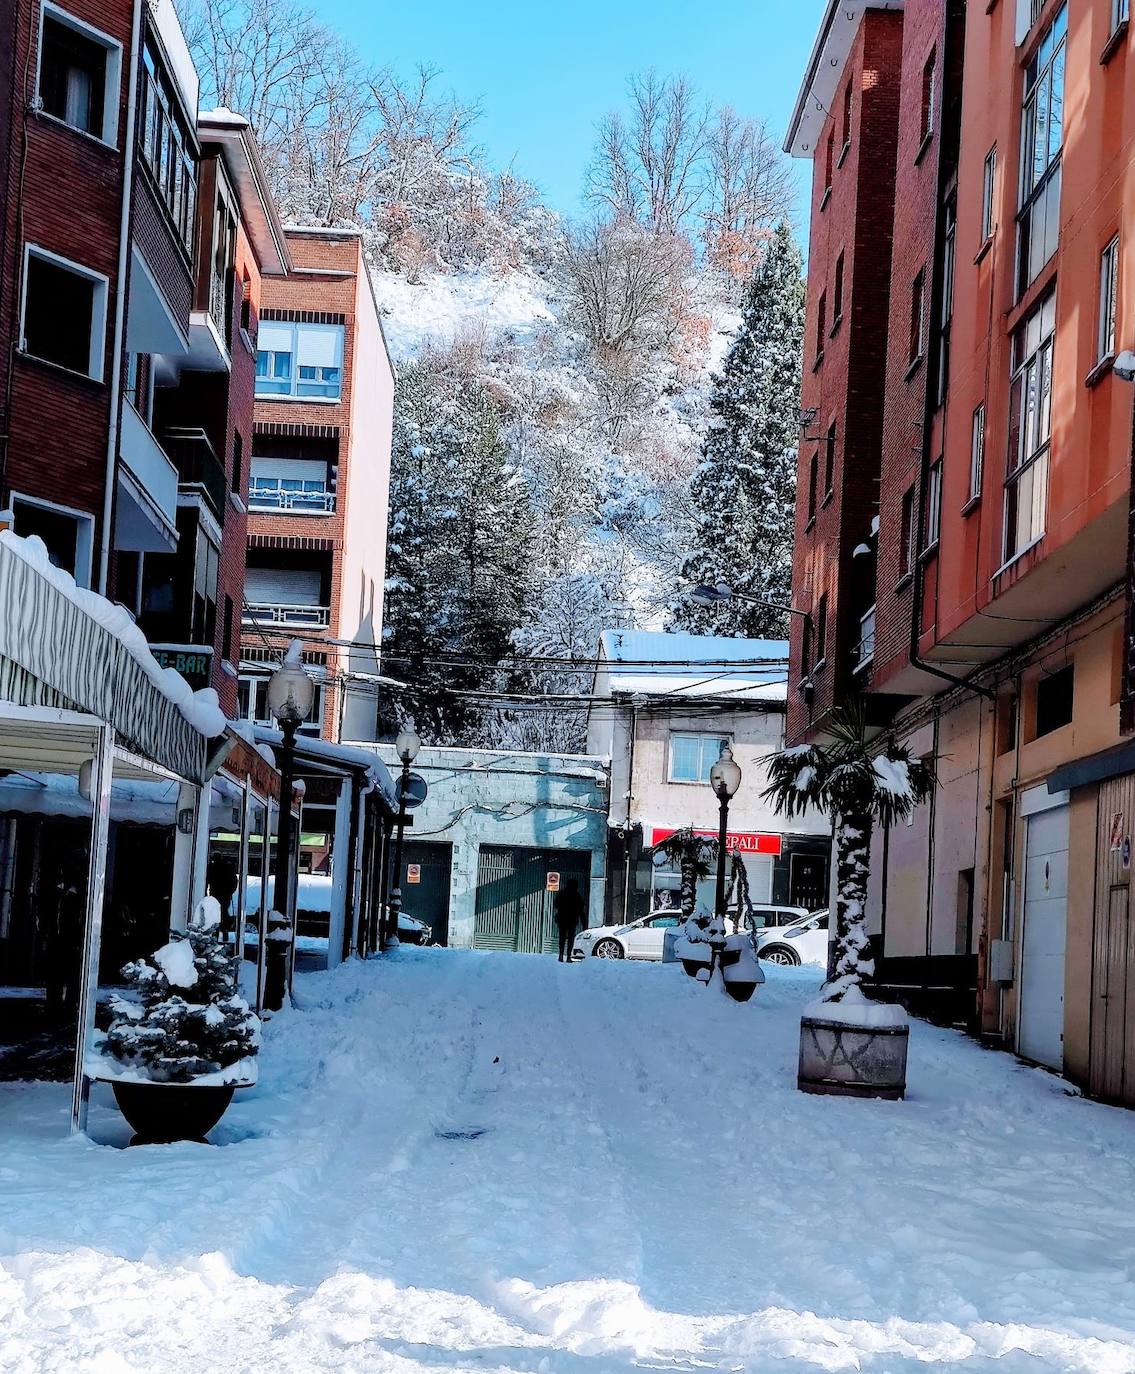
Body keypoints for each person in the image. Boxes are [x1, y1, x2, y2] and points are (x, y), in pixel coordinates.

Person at [553, 879, 584, 963]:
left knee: (562, 937)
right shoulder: (577, 896)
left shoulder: (562, 893)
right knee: (570, 939)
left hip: (562, 919)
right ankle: (568, 957)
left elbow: (555, 904)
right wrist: (584, 923)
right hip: (572, 920)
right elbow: (581, 910)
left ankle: (560, 955)